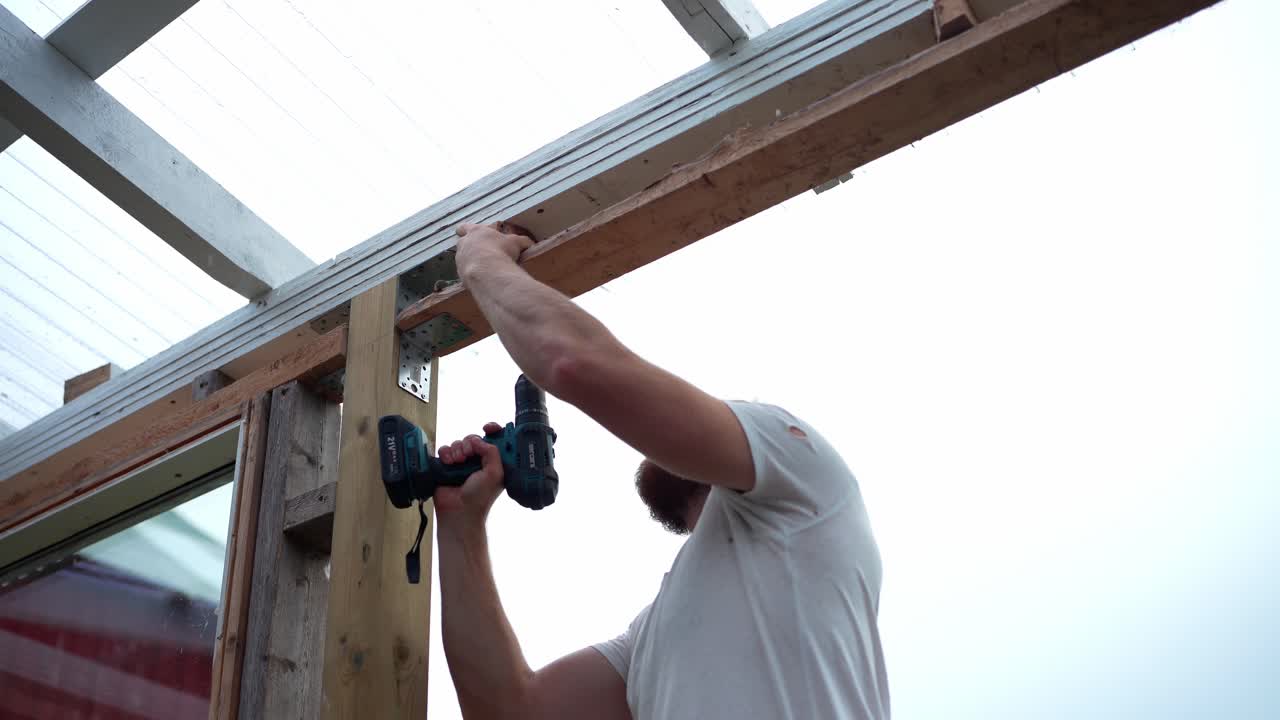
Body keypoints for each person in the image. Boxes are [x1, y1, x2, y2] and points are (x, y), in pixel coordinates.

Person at [434, 222, 889, 719]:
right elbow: (508, 712)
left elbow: (570, 361)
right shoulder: (651, 638)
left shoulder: (797, 462)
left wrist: (480, 259)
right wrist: (461, 523)